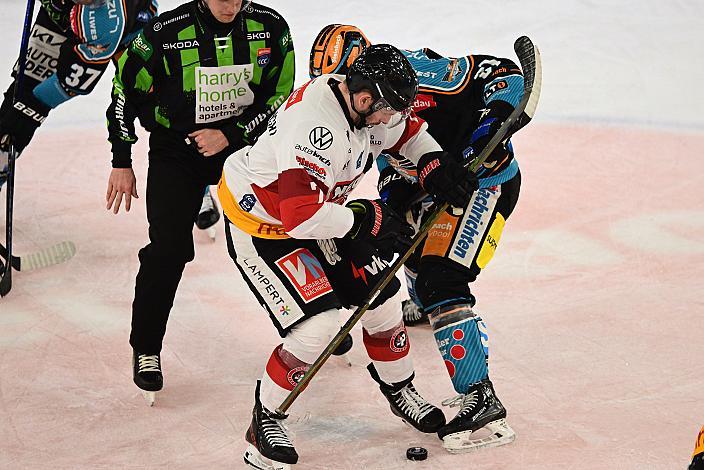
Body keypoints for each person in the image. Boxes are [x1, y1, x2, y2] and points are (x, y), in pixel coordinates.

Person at [219, 43, 474, 469]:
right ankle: (265, 418)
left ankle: (399, 388)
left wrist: (432, 163)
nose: (392, 117)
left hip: (321, 213)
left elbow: (407, 134)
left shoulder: (367, 104)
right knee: (318, 329)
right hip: (266, 226)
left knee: (383, 300)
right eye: (388, 108)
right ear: (363, 97)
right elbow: (298, 217)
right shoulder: (315, 126)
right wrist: (363, 217)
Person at [309, 24, 526, 452]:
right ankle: (433, 310)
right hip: (432, 189)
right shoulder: (343, 101)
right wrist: (395, 198)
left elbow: (504, 75)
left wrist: (489, 131)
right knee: (403, 246)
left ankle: (480, 396)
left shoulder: (419, 71)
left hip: (484, 185)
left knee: (441, 280)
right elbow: (390, 157)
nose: (348, 96)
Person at [104, 0, 295, 405]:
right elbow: (124, 90)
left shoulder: (271, 27)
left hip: (246, 151)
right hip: (177, 152)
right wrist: (122, 160)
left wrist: (232, 133)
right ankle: (147, 348)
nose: (231, 5)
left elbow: (280, 97)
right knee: (169, 249)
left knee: (288, 227)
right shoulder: (163, 33)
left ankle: (317, 319)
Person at [0, 0, 158, 192]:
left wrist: (30, 106)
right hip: (63, 16)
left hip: (127, 26)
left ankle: (194, 184)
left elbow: (64, 86)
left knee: (155, 105)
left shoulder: (108, 23)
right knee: (22, 97)